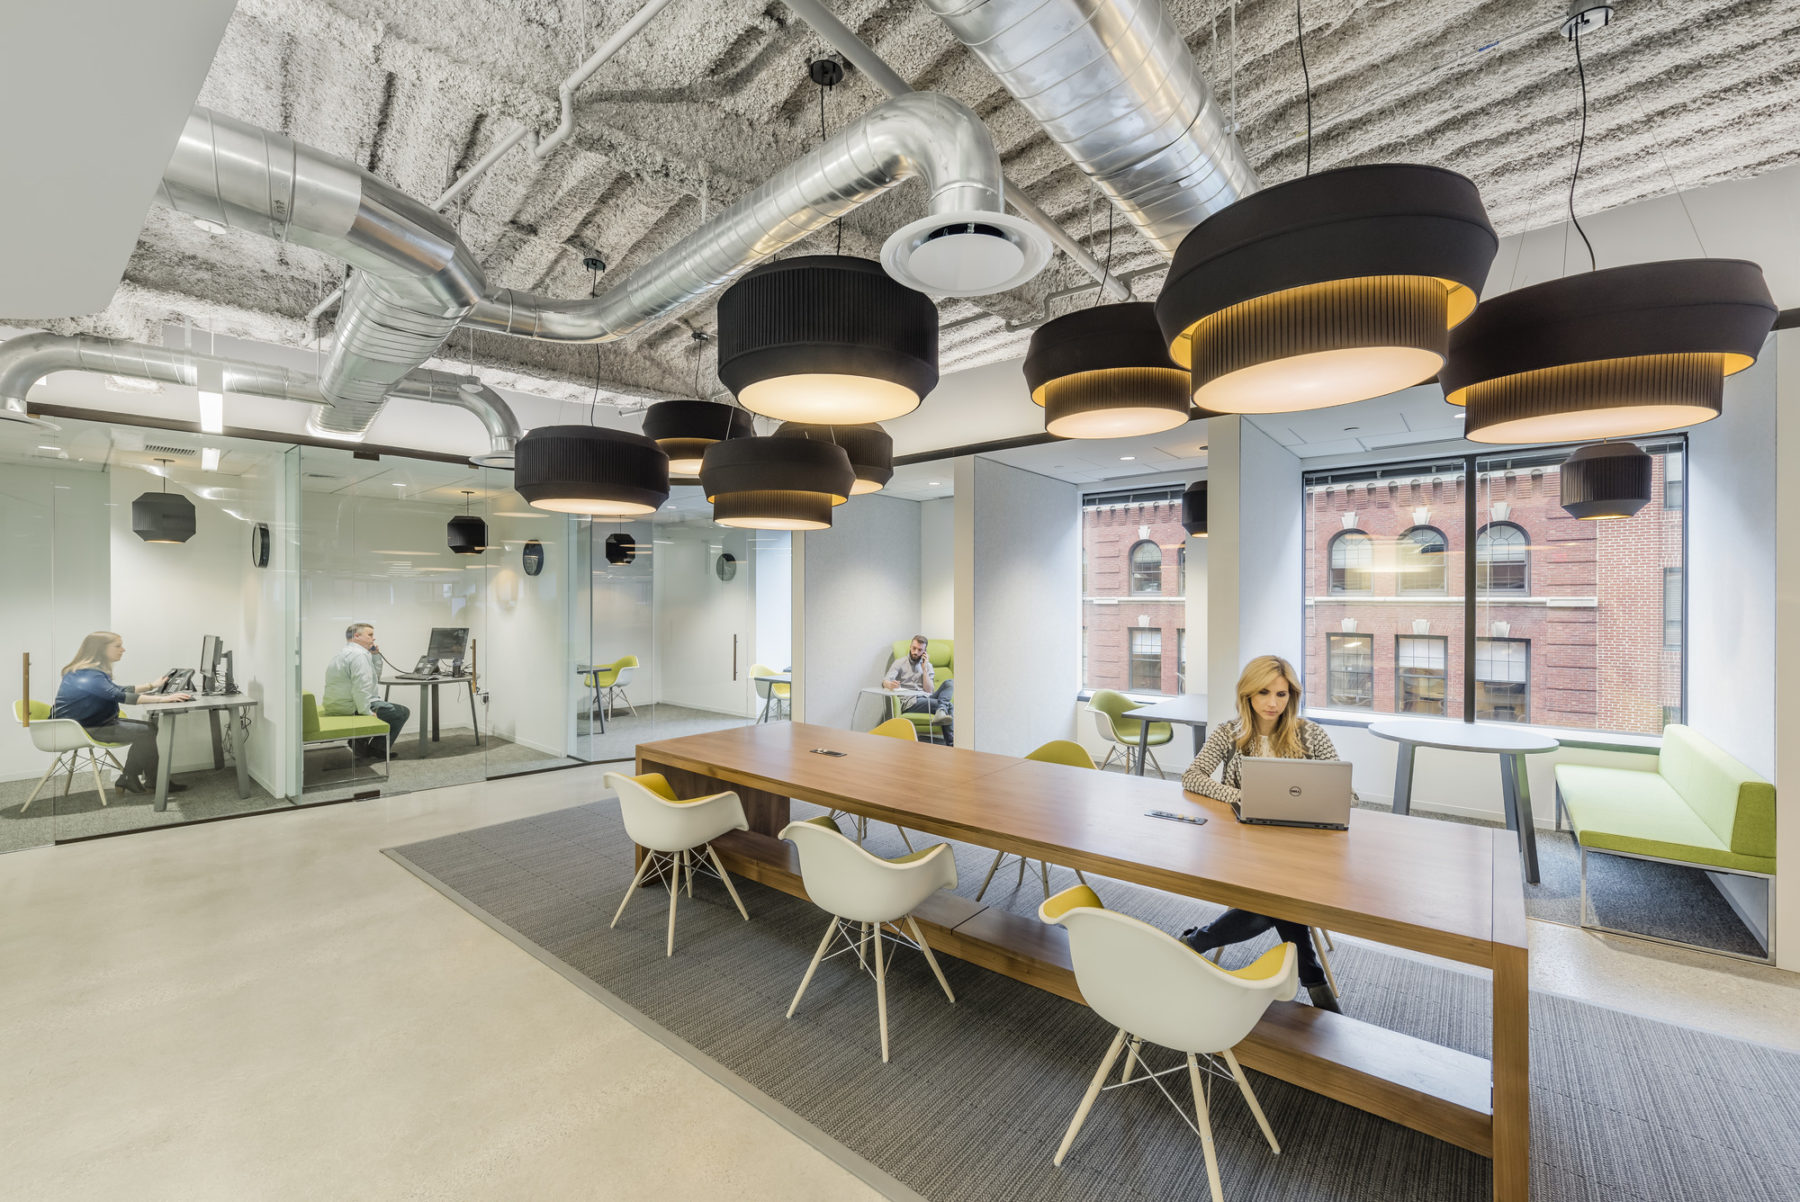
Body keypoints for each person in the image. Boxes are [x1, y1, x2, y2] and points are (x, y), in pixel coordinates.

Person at [1177, 654, 1348, 1014]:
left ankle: (1196, 941)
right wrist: (1244, 797)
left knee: (1275, 901)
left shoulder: (1310, 734)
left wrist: (1319, 801)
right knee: (1282, 901)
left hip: (1301, 849)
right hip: (1246, 847)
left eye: (1282, 694)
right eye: (1264, 693)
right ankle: (1313, 978)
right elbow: (1193, 777)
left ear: (1292, 696)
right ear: (1248, 695)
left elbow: (1345, 793)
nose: (1273, 703)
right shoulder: (1230, 732)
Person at [52, 631, 194, 796]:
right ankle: (145, 780)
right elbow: (118, 695)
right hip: (84, 728)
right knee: (147, 731)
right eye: (118, 646)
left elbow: (116, 690)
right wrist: (164, 699)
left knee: (148, 729)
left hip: (89, 724)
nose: (123, 649)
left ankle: (134, 778)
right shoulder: (87, 674)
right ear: (100, 649)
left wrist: (151, 685)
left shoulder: (86, 671)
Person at [322, 623, 409, 758]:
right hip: (351, 707)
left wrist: (375, 655)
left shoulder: (344, 653)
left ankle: (363, 743)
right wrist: (366, 713)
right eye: (370, 635)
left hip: (337, 704)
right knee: (401, 712)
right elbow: (361, 689)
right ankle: (374, 747)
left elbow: (374, 678)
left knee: (388, 708)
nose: (373, 639)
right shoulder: (359, 656)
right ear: (356, 636)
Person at [883, 634, 953, 743]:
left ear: (924, 652)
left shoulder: (927, 665)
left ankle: (941, 710)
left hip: (926, 697)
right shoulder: (899, 663)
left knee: (950, 683)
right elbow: (885, 681)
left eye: (920, 650)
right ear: (910, 647)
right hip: (911, 701)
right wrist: (890, 685)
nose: (915, 652)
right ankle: (951, 744)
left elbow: (929, 690)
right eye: (914, 648)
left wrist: (924, 669)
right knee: (949, 705)